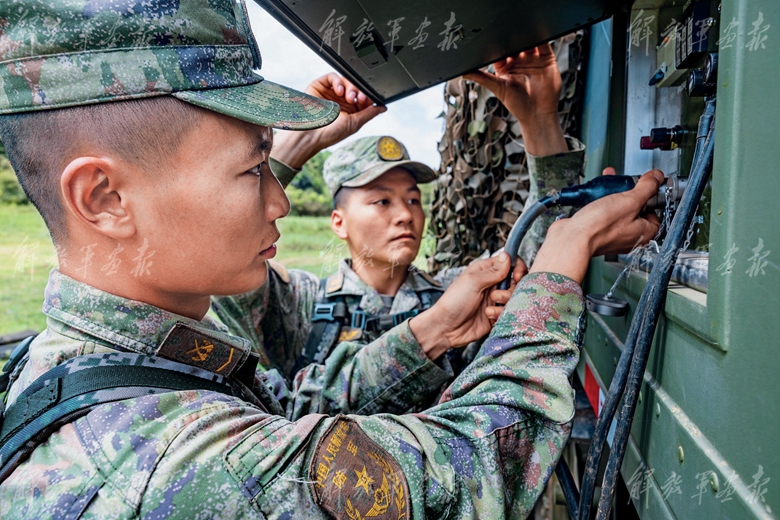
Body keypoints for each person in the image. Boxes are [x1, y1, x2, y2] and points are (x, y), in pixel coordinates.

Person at [0, 1, 664, 518]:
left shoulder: (115, 363)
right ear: (105, 197)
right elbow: (467, 476)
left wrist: (275, 155)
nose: (281, 204)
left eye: (413, 199)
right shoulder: (183, 462)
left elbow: (281, 381)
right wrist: (563, 256)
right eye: (251, 172)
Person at [213, 44, 586, 382]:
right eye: (382, 201)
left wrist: (540, 121)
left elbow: (543, 253)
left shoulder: (459, 294)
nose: (406, 215)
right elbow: (219, 255)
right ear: (339, 222)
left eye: (413, 200)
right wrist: (300, 142)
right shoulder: (301, 303)